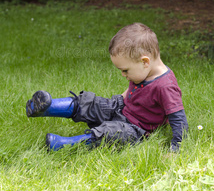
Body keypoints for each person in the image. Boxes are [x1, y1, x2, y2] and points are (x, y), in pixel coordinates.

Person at [26, 23, 188, 152]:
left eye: (125, 70)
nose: (124, 75)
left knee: (109, 133)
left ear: (145, 62)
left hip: (137, 129)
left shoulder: (166, 86)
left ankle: (64, 145)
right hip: (121, 108)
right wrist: (113, 105)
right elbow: (134, 91)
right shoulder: (143, 71)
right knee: (91, 103)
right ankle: (47, 107)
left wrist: (176, 148)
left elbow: (179, 119)